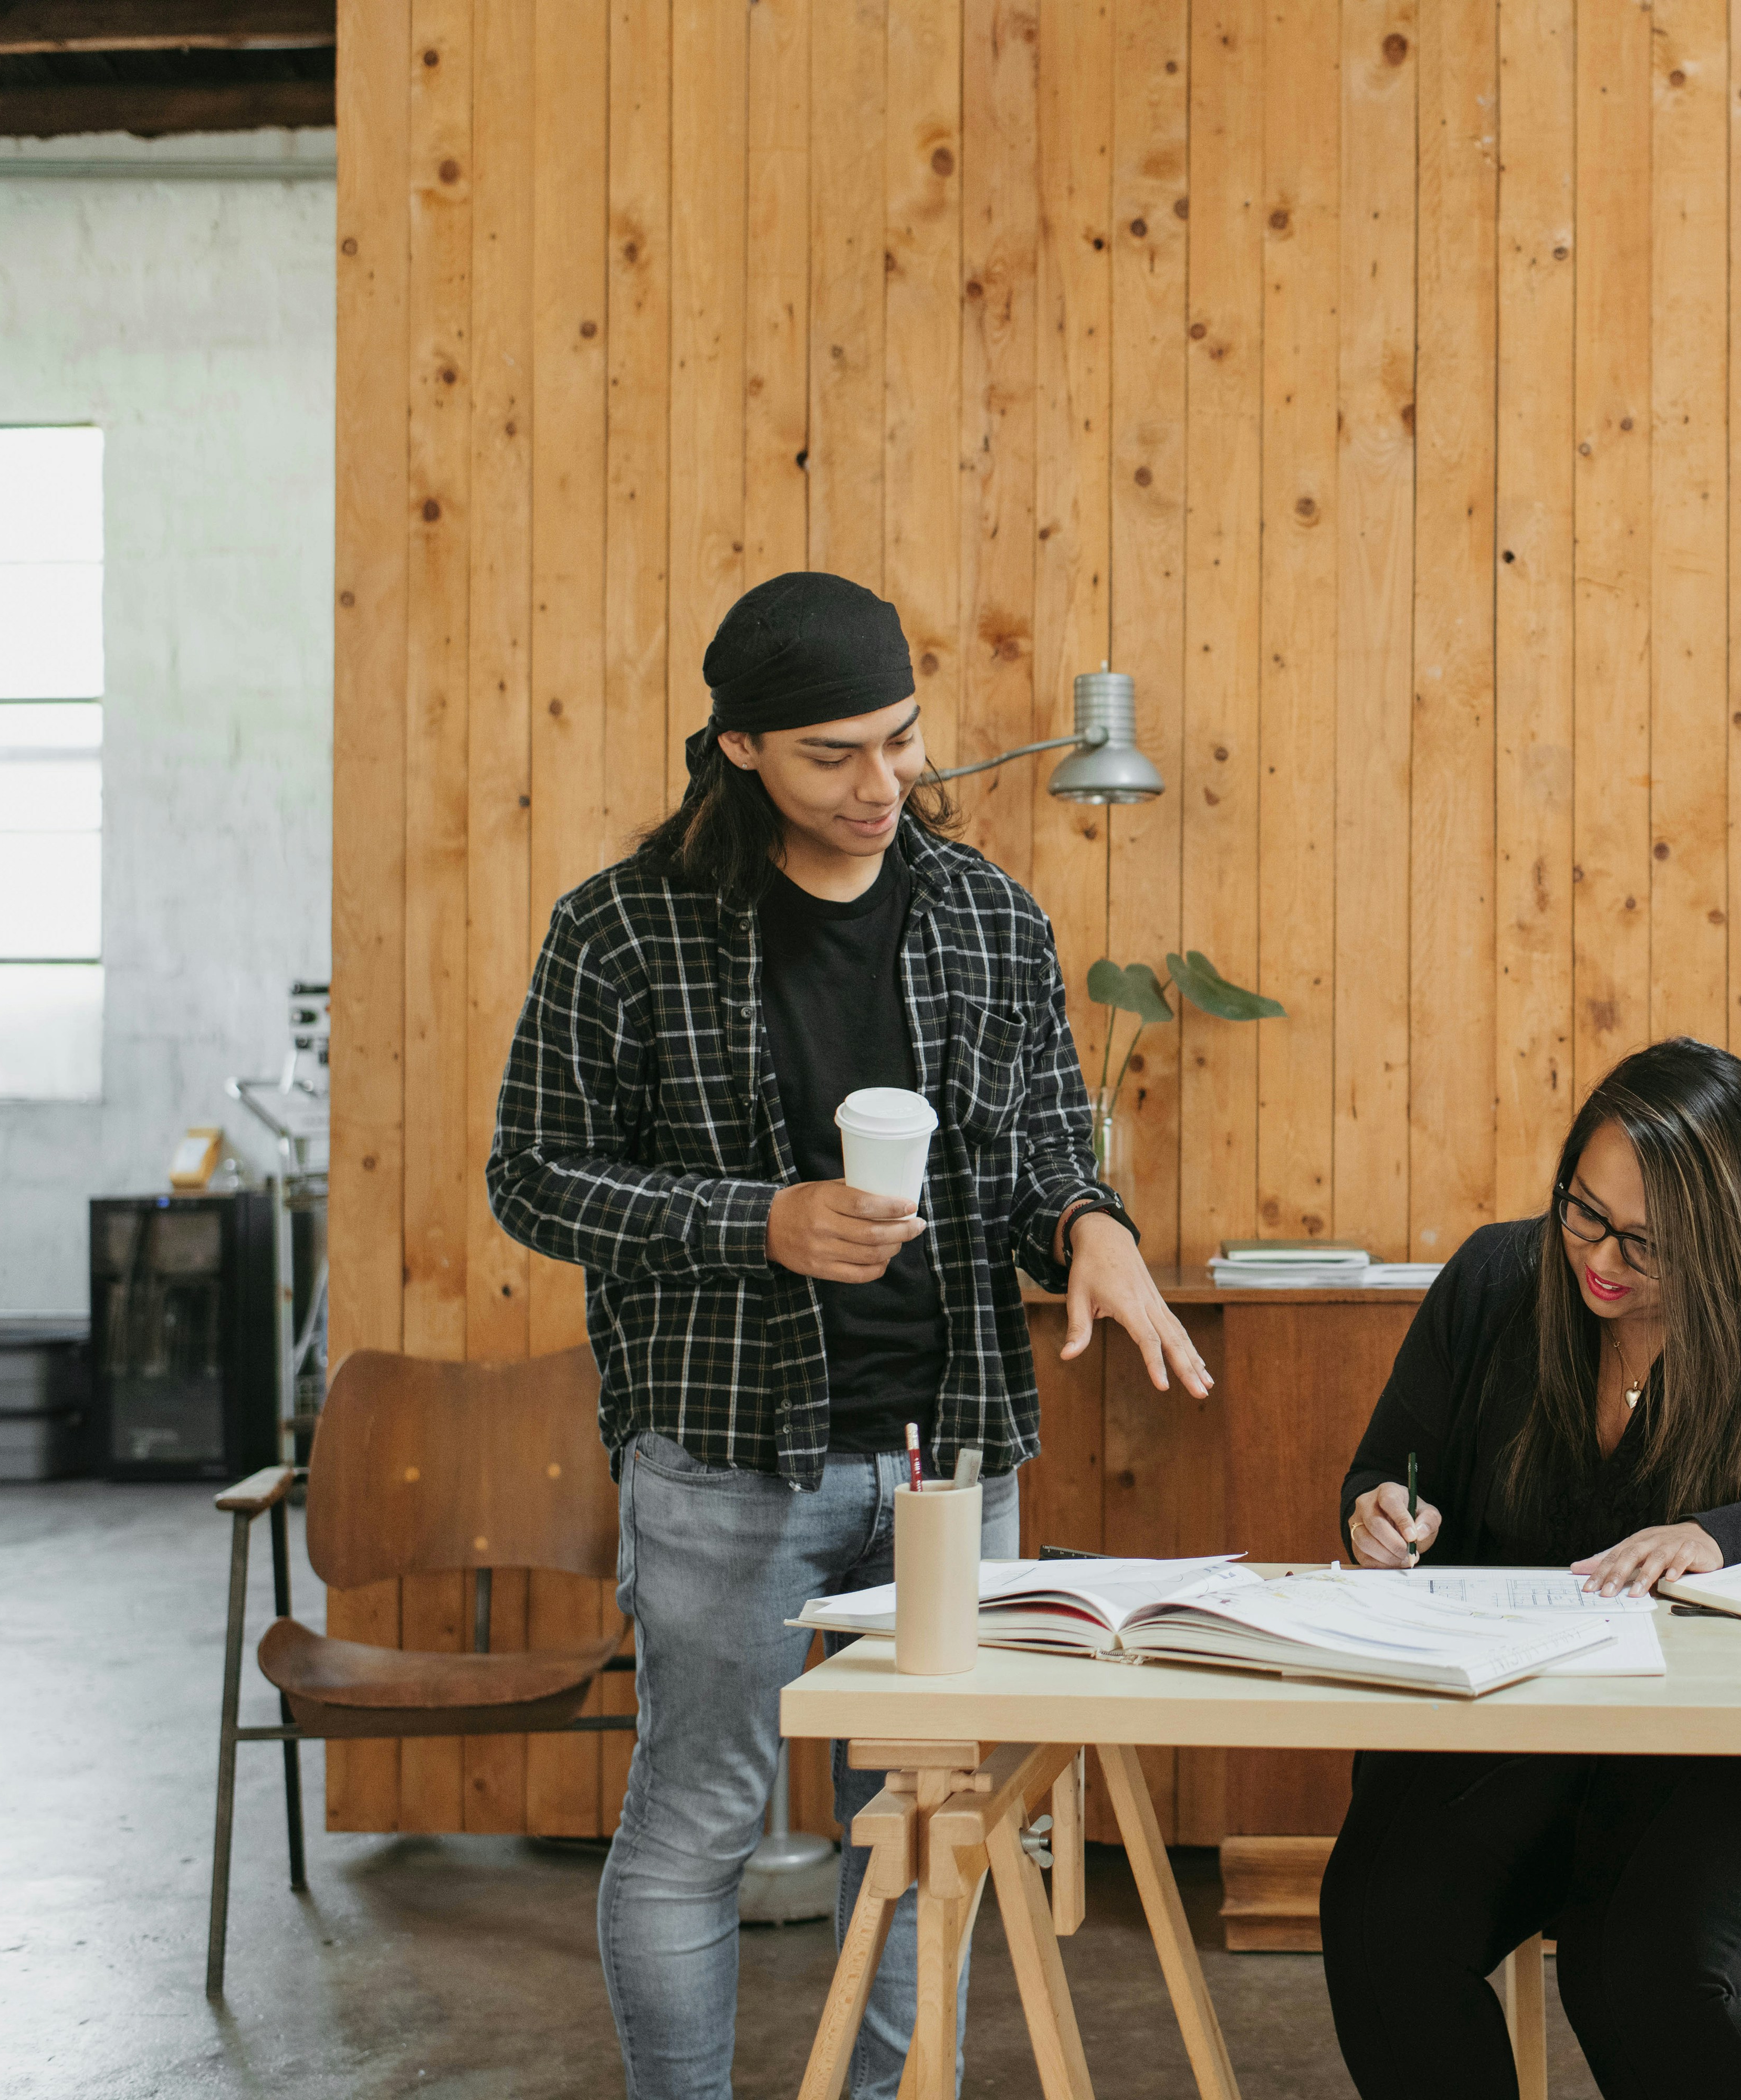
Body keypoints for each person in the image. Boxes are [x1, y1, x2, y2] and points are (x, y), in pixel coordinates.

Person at [486, 571, 1209, 2100]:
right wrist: (761, 1219)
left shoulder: (992, 920)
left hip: (951, 1466)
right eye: (834, 755)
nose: (883, 786)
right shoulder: (622, 931)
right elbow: (533, 1179)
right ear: (739, 747)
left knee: (931, 1823)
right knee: (698, 1818)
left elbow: (1031, 1162)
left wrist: (1095, 1232)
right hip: (723, 1460)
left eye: (900, 741)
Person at [1320, 1037, 1741, 2100]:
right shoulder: (1499, 1281)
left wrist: (1726, 1532)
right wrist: (1380, 1507)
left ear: (1734, 1238)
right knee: (1380, 1917)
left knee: (1640, 1967)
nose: (1602, 1258)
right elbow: (1394, 1463)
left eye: (1647, 1243)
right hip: (1532, 1722)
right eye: (1584, 1210)